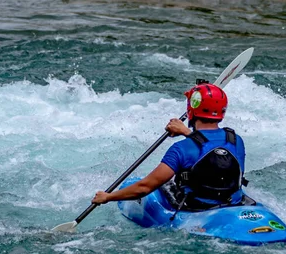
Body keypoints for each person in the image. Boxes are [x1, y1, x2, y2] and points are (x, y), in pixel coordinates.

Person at [91, 82, 248, 211]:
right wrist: (187, 132)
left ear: (191, 111)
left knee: (165, 184)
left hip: (197, 208)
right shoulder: (236, 140)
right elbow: (210, 146)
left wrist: (107, 197)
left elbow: (144, 188)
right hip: (231, 204)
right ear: (222, 112)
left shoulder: (181, 149)